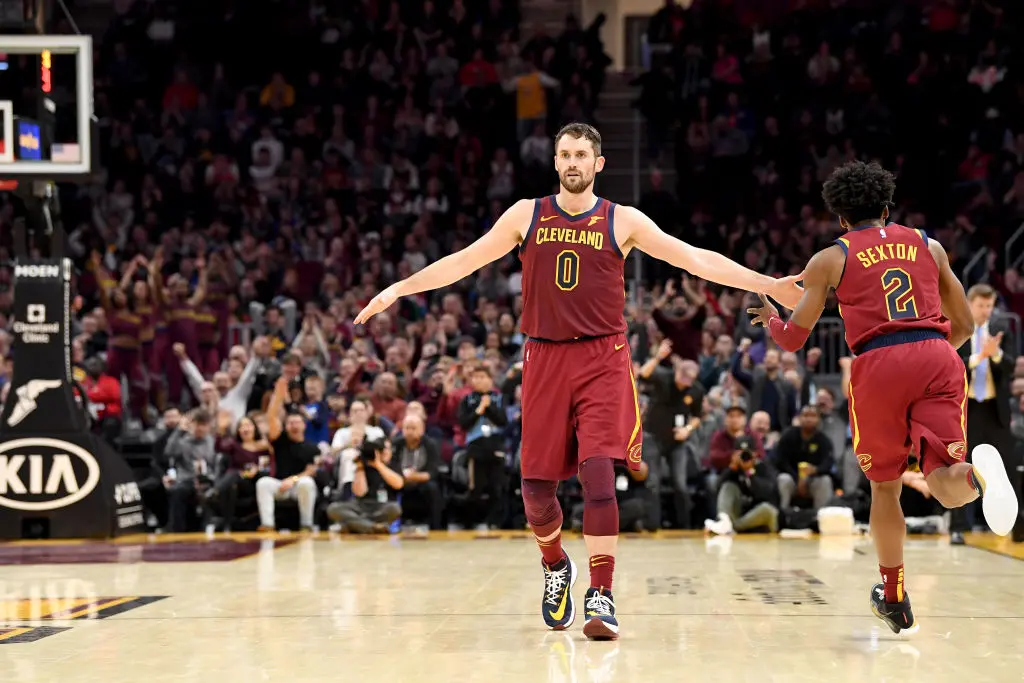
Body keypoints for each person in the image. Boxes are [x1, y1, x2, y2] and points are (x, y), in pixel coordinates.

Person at [354, 122, 803, 640]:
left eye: (581, 155)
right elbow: (465, 260)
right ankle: (555, 566)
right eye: (564, 154)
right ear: (555, 162)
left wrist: (767, 283)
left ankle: (602, 594)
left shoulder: (622, 220)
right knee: (536, 492)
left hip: (601, 359)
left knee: (596, 475)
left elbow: (694, 258)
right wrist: (399, 289)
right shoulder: (527, 213)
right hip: (543, 359)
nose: (572, 162)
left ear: (598, 165)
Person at [747, 160, 1019, 635]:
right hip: (937, 354)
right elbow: (966, 326)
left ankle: (893, 598)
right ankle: (975, 476)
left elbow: (793, 339)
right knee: (942, 478)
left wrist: (770, 317)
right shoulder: (928, 245)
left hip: (878, 362)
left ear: (840, 219)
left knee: (886, 487)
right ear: (888, 208)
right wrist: (928, 353)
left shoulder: (830, 258)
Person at [256, 377, 320, 531]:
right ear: (286, 426)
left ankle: (307, 524)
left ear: (304, 426)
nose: (294, 425)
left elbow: (312, 471)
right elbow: (271, 417)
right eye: (290, 423)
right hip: (280, 485)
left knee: (307, 483)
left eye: (297, 422)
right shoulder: (281, 440)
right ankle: (268, 524)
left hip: (298, 485)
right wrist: (278, 396)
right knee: (263, 483)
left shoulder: (312, 448)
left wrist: (294, 479)